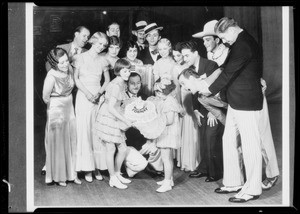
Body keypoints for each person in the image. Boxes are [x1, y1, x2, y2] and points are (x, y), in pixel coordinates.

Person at [193, 20, 279, 189]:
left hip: (247, 100)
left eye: (223, 37)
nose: (224, 41)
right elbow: (224, 69)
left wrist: (206, 89)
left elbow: (228, 74)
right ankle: (233, 183)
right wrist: (205, 84)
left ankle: (253, 188)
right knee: (229, 139)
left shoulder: (243, 45)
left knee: (252, 143)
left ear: (232, 30)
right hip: (235, 99)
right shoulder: (238, 42)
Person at [41, 26, 90, 176]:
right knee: (55, 131)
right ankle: (49, 164)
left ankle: (71, 166)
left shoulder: (88, 52)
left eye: (88, 37)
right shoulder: (61, 48)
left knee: (71, 131)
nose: (86, 39)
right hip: (58, 95)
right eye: (84, 36)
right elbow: (50, 66)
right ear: (76, 34)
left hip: (76, 94)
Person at [179, 41, 224, 182]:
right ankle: (205, 168)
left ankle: (216, 172)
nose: (185, 59)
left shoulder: (210, 65)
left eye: (187, 56)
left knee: (211, 139)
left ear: (195, 53)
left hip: (214, 108)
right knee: (204, 139)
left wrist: (213, 111)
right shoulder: (189, 69)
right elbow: (193, 92)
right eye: (183, 56)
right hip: (201, 108)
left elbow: (217, 88)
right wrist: (196, 111)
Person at [72, 32, 110, 183]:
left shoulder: (104, 60)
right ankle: (87, 168)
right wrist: (88, 94)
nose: (101, 47)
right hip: (83, 96)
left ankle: (98, 167)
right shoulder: (79, 58)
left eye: (104, 45)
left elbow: (107, 80)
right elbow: (76, 79)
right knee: (84, 131)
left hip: (98, 97)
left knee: (97, 132)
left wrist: (99, 94)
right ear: (92, 42)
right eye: (99, 43)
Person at [42, 47, 80, 186]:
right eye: (61, 62)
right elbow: (45, 97)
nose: (65, 64)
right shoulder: (51, 76)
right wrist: (57, 107)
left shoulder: (69, 69)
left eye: (66, 61)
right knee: (58, 141)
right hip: (56, 108)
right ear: (54, 63)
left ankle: (72, 173)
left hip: (69, 106)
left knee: (71, 139)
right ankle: (59, 176)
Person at [95, 59, 134, 189]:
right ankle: (112, 178)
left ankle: (117, 173)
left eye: (128, 70)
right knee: (111, 149)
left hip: (115, 115)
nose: (127, 73)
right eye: (124, 70)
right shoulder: (116, 85)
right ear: (118, 71)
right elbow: (111, 107)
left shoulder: (122, 83)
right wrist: (125, 120)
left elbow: (120, 103)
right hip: (109, 117)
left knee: (122, 148)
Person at [122, 72, 163, 178]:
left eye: (138, 83)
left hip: (142, 140)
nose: (136, 86)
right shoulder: (122, 99)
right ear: (127, 84)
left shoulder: (145, 98)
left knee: (158, 146)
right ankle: (128, 165)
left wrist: (150, 139)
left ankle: (151, 166)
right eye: (132, 83)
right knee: (139, 165)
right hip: (127, 143)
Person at [172, 43, 201, 172]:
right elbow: (177, 89)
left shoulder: (191, 66)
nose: (178, 58)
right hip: (184, 100)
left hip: (193, 98)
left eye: (180, 55)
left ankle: (195, 160)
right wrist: (179, 105)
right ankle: (187, 161)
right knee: (187, 130)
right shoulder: (176, 68)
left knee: (194, 132)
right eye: (175, 56)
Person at [153, 78, 181, 193]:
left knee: (166, 159)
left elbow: (169, 121)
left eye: (158, 92)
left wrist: (156, 119)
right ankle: (170, 179)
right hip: (168, 133)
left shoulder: (169, 102)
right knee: (168, 158)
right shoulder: (170, 99)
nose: (157, 94)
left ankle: (167, 182)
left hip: (167, 134)